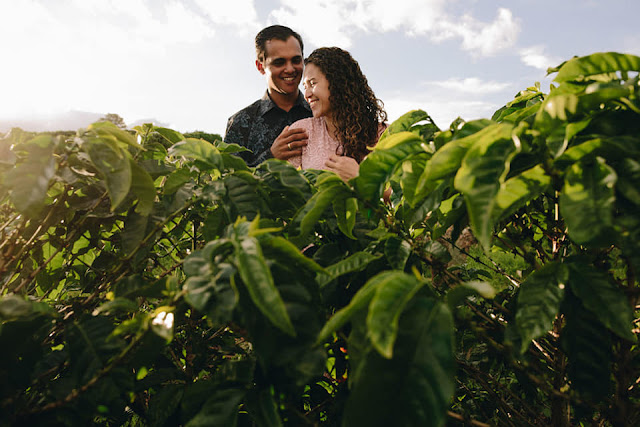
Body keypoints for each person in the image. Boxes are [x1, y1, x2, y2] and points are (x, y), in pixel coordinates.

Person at [288, 47, 387, 181]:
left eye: (313, 83)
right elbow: (279, 184)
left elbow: (399, 191)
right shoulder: (303, 131)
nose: (307, 94)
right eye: (305, 87)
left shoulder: (383, 135)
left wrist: (360, 177)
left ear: (338, 82)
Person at [224, 25, 312, 167]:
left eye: (296, 60)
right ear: (260, 67)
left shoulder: (321, 115)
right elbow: (228, 177)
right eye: (279, 62)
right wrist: (271, 157)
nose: (290, 69)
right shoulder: (241, 122)